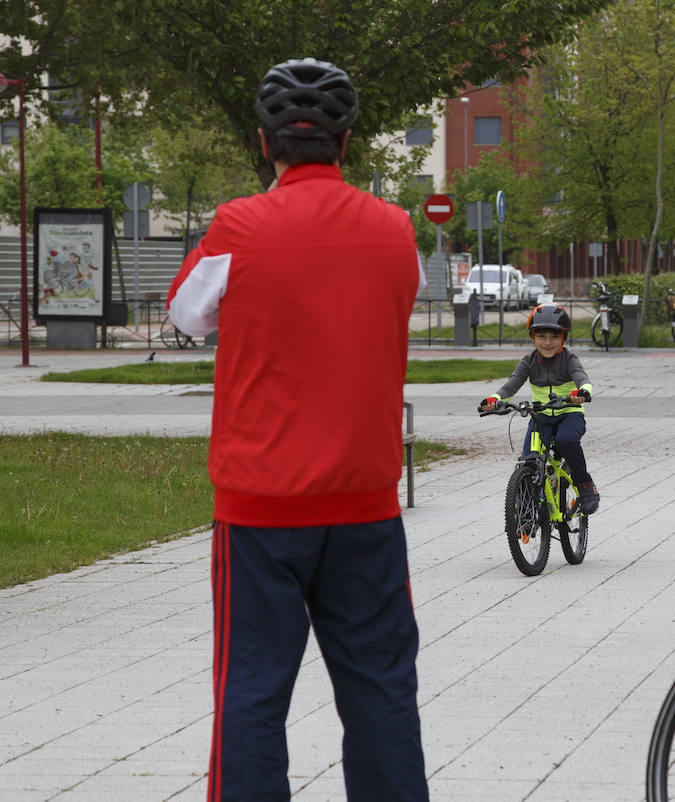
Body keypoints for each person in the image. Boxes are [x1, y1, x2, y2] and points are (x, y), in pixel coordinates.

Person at [166, 58, 428, 801]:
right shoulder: (393, 230)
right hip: (365, 505)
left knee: (250, 692)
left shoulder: (238, 227)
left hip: (260, 508)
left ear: (264, 143)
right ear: (346, 144)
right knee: (382, 695)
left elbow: (186, 312)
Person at [479, 303, 600, 514]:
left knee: (566, 440)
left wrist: (582, 392)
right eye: (541, 336)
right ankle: (526, 512)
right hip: (541, 417)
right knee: (530, 459)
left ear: (564, 338)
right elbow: (512, 384)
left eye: (554, 337)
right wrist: (494, 399)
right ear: (532, 337)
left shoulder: (569, 359)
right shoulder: (529, 361)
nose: (548, 342)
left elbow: (582, 377)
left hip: (569, 414)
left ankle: (585, 484)